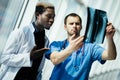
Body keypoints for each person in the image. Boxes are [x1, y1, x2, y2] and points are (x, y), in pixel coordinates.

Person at [45, 13, 117, 80]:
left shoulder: (91, 47)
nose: (74, 26)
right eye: (71, 23)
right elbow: (55, 60)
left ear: (81, 26)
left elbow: (111, 56)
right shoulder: (56, 45)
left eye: (77, 24)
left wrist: (110, 38)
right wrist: (71, 48)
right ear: (65, 27)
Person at [0, 1, 55, 80]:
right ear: (38, 15)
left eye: (53, 17)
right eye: (49, 16)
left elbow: (38, 70)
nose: (52, 20)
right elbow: (4, 58)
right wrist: (28, 57)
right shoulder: (20, 32)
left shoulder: (46, 41)